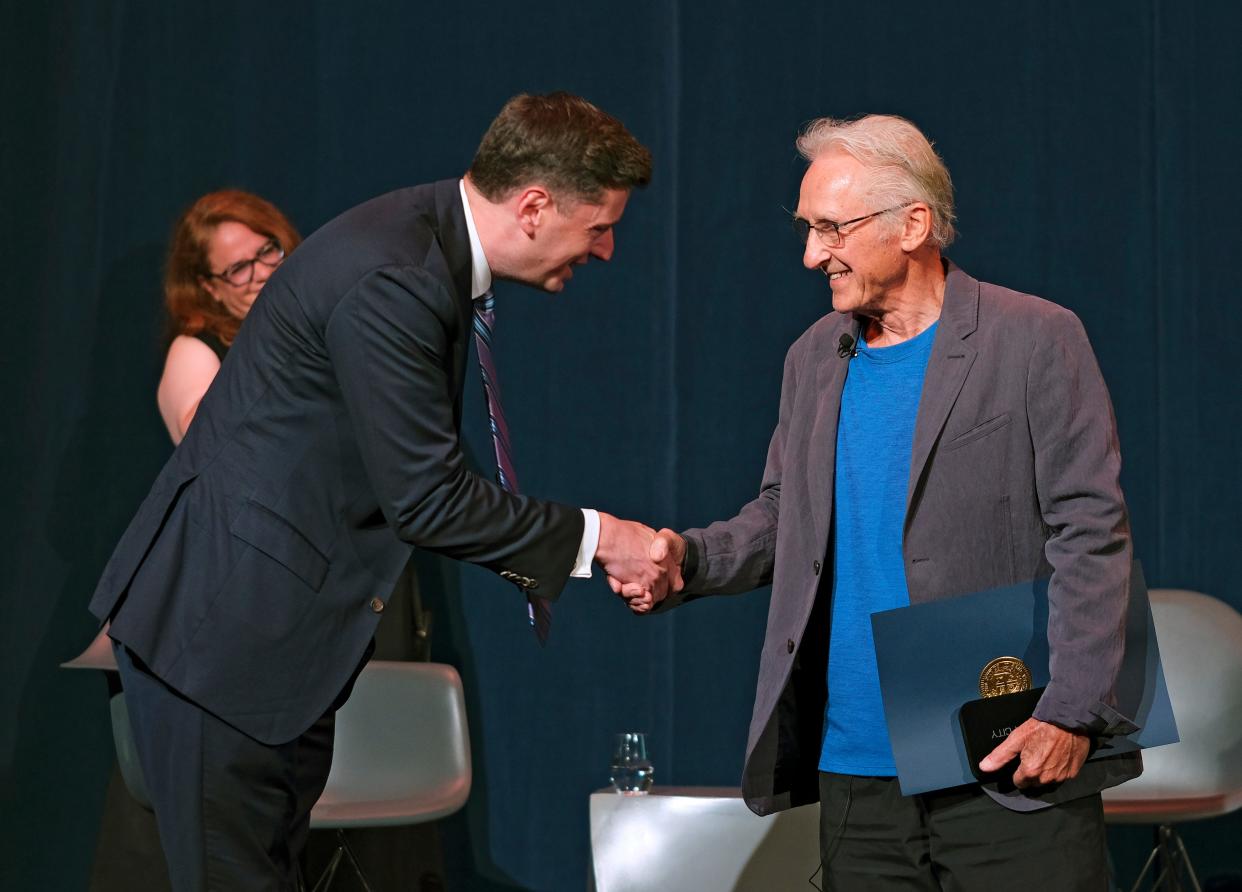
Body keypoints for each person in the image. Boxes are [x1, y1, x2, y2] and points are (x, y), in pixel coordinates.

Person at [89, 92, 675, 891]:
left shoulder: (418, 247)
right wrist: (608, 538)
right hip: (219, 645)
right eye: (600, 225)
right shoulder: (396, 274)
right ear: (535, 206)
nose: (605, 250)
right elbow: (427, 497)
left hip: (269, 655)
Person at [624, 114, 1140, 890]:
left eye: (831, 228)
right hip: (856, 776)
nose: (811, 254)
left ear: (914, 224)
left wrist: (1072, 712)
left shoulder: (1034, 337)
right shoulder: (812, 358)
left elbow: (1091, 532)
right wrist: (690, 560)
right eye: (806, 230)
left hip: (1004, 756)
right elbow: (781, 516)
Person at [156, 190, 301, 444]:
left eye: (268, 250)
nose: (263, 273)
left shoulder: (310, 324)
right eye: (239, 268)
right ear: (210, 288)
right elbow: (203, 438)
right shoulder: (193, 348)